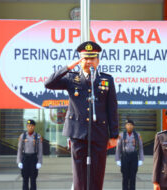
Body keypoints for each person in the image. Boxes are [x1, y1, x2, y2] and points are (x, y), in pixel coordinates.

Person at [45, 41, 119, 190]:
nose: (89, 62)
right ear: (80, 60)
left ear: (98, 61)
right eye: (85, 58)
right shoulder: (72, 78)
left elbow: (112, 108)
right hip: (78, 133)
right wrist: (68, 67)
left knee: (97, 174)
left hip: (99, 133)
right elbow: (48, 83)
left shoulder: (106, 80)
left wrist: (114, 135)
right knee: (79, 175)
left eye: (92, 58)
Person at [115, 119, 144, 190]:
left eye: (131, 125)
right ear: (125, 126)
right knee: (125, 177)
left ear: (133, 126)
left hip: (134, 157)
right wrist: (117, 159)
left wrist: (141, 159)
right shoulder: (121, 135)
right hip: (124, 157)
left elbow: (140, 148)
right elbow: (118, 148)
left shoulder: (137, 135)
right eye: (128, 125)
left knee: (133, 176)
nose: (129, 126)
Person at [17, 119, 43, 190]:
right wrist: (19, 161)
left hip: (33, 159)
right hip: (25, 159)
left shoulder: (38, 136)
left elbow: (40, 150)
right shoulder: (22, 136)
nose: (30, 127)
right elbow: (19, 149)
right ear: (26, 126)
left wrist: (39, 162)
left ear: (34, 127)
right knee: (25, 179)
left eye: (31, 126)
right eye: (28, 126)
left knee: (33, 179)